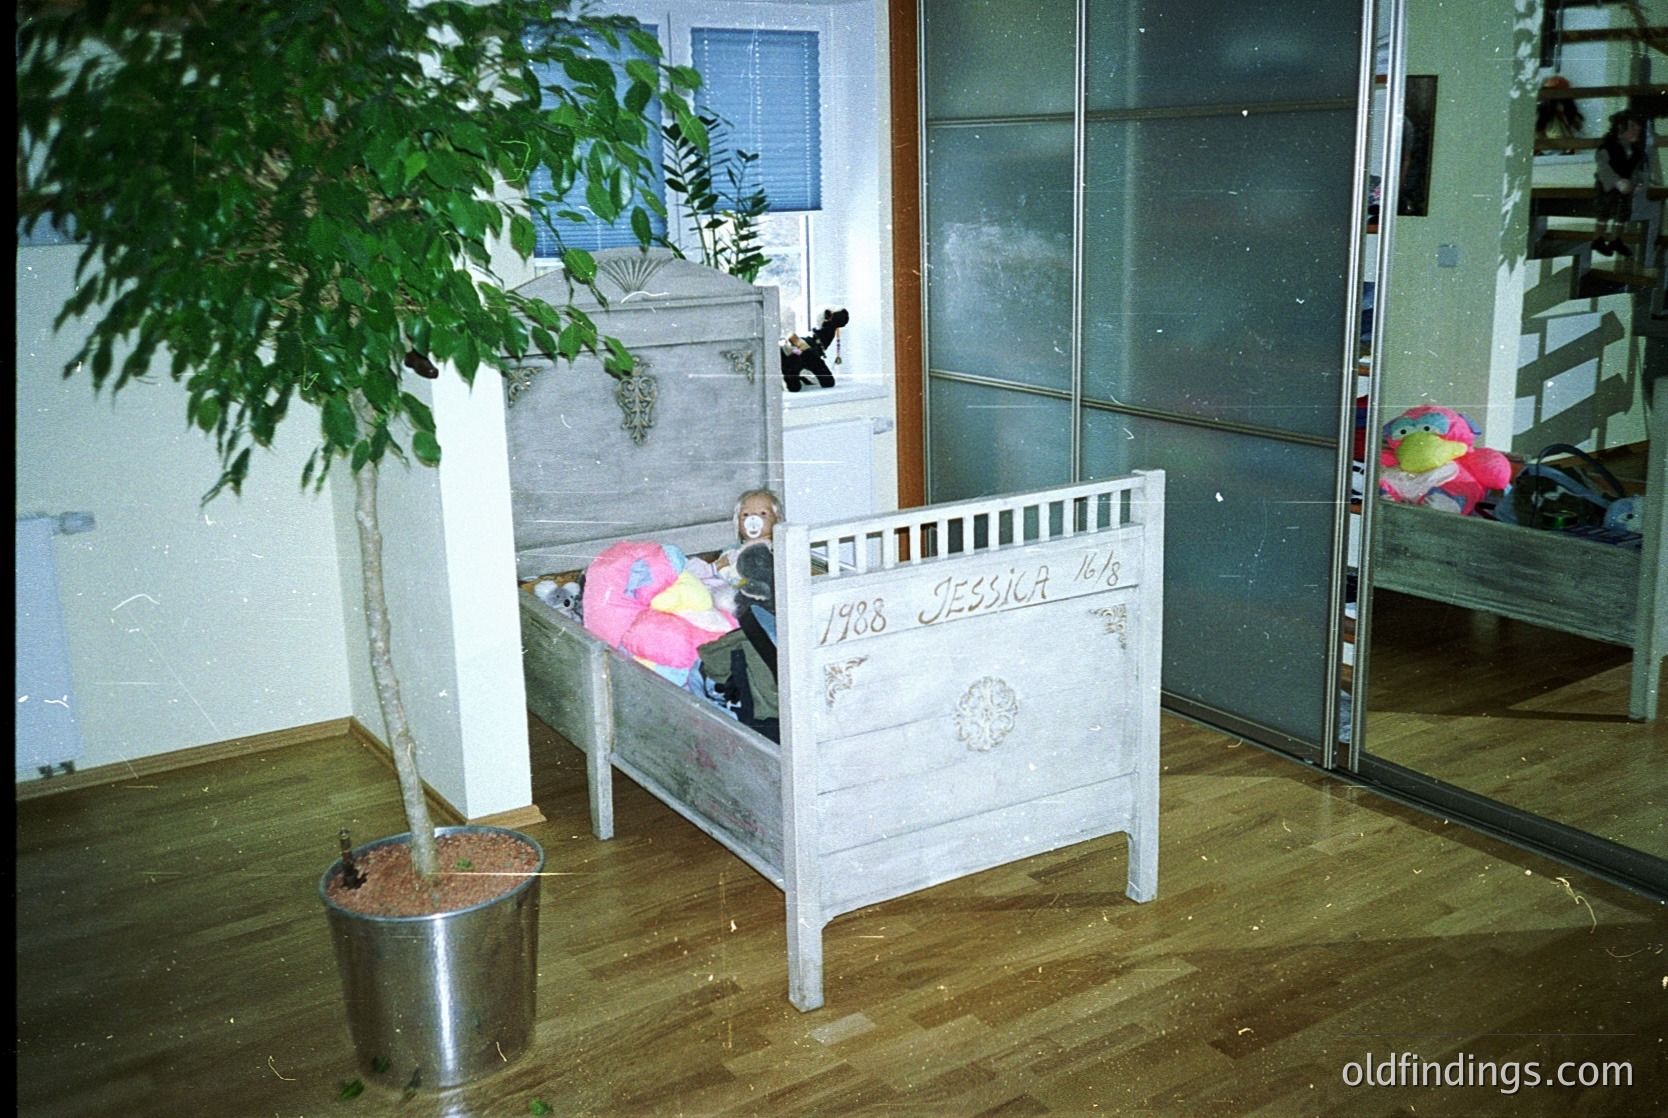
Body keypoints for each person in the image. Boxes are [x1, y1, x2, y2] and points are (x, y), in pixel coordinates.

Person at [1593, 110, 1650, 257]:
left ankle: (1616, 239)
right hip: (1608, 187)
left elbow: (1636, 171)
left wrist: (1637, 185)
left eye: (1637, 128)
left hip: (1627, 188)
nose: (1636, 131)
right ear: (1619, 128)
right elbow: (1603, 167)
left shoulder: (1636, 152)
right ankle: (1598, 239)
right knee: (1604, 212)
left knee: (1622, 214)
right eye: (1631, 127)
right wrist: (1616, 181)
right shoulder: (1608, 148)